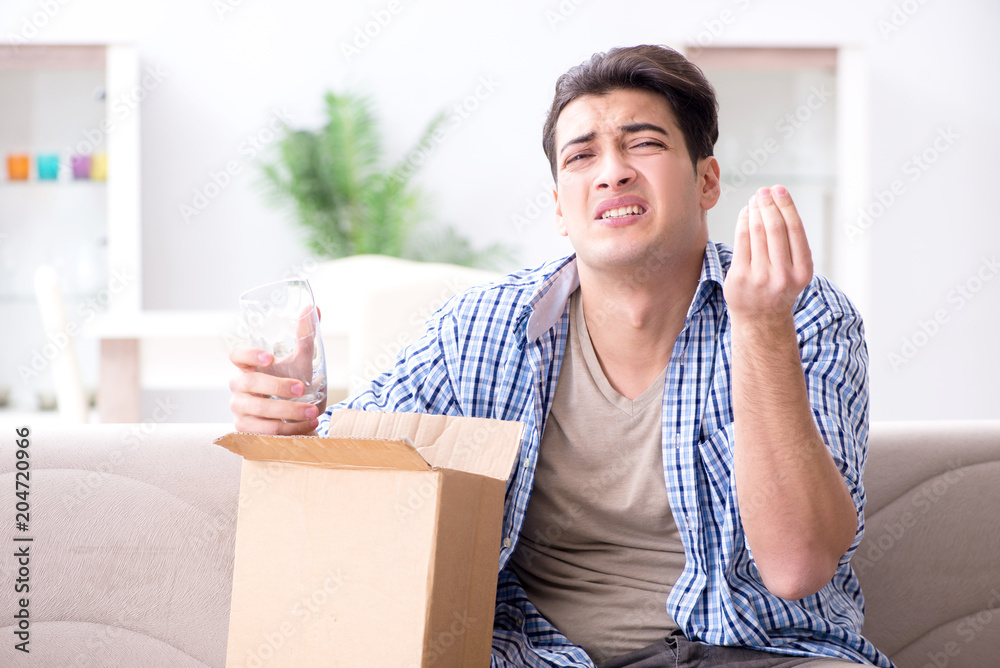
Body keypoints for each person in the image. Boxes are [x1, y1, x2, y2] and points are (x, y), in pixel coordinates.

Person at [230, 45, 893, 668]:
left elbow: (798, 565)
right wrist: (286, 423)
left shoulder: (801, 315)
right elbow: (352, 450)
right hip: (540, 654)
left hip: (755, 651)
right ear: (559, 209)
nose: (612, 171)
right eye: (581, 157)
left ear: (707, 181)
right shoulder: (483, 328)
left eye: (645, 143)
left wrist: (760, 330)